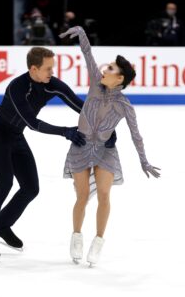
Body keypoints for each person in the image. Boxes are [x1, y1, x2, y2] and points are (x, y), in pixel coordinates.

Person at [0, 46, 117, 262]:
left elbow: (79, 104)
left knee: (31, 188)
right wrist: (66, 132)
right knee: (3, 182)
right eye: (48, 69)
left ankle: (1, 225)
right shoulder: (17, 87)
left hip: (15, 136)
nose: (52, 73)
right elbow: (32, 123)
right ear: (33, 69)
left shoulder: (51, 84)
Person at [59, 26, 161, 267]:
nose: (105, 69)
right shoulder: (96, 83)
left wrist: (143, 160)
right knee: (82, 196)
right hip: (80, 147)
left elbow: (136, 135)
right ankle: (76, 237)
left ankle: (98, 242)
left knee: (104, 194)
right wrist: (82, 32)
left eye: (111, 68)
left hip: (105, 152)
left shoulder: (125, 106)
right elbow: (87, 53)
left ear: (120, 78)